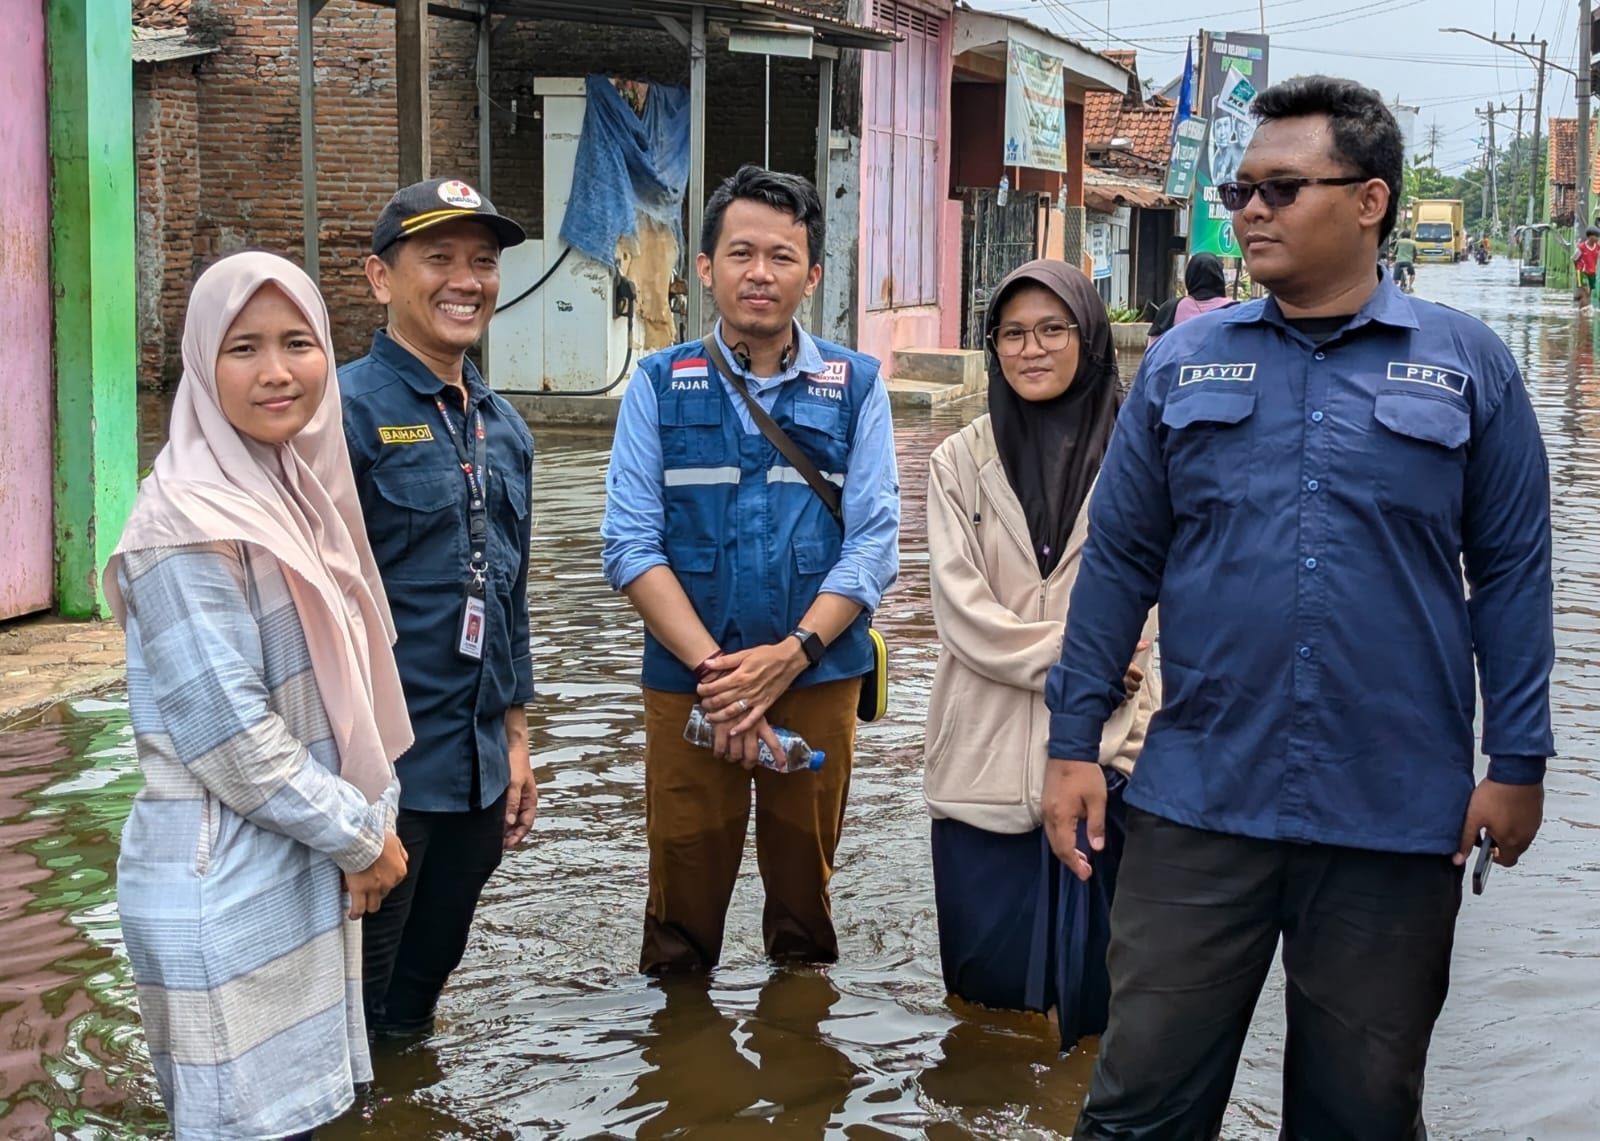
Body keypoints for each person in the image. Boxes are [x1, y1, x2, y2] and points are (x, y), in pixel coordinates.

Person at [1044, 75, 1552, 1137]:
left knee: (1360, 1114)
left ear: (1368, 201)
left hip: (1392, 812)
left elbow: (1510, 572)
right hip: (1197, 801)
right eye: (1240, 191)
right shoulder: (1184, 364)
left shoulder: (1469, 369)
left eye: (1280, 188)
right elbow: (1118, 562)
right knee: (1139, 1103)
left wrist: (1514, 765)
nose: (1250, 211)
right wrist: (1070, 742)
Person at [105, 252, 414, 1139]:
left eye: (298, 343)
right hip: (225, 889)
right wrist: (364, 839)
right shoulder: (183, 523)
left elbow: (344, 686)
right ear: (204, 363)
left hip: (297, 870)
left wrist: (367, 823)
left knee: (309, 1117)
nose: (278, 372)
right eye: (244, 347)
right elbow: (231, 735)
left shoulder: (297, 495)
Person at [601, 165, 900, 973]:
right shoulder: (658, 386)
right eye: (740, 253)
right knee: (680, 906)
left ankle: (798, 1061)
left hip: (818, 674)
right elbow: (630, 543)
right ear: (705, 268)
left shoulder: (857, 386)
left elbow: (874, 542)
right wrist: (723, 680)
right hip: (690, 685)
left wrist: (790, 657)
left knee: (806, 904)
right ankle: (682, 1065)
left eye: (780, 255)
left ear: (813, 273)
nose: (758, 273)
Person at [922, 259, 1159, 1052]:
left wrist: (1117, 701)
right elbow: (963, 615)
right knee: (986, 1015)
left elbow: (1169, 606)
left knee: (1104, 1011)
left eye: (1053, 329)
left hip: (1111, 756)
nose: (1031, 348)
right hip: (982, 763)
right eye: (1013, 333)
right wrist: (1084, 653)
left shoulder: (1146, 447)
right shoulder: (958, 459)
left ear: (1089, 336)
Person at [341, 177, 538, 1038]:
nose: (467, 280)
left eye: (483, 262)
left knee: (419, 1004)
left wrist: (518, 742)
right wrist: (348, 797)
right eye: (439, 259)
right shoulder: (337, 415)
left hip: (476, 775)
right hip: (384, 778)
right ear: (381, 279)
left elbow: (511, 595)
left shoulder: (504, 426)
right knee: (352, 1010)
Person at [1146, 253, 1234, 341]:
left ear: (1190, 275)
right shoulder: (1234, 309)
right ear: (1219, 276)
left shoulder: (1170, 309)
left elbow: (1153, 349)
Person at [1574, 226, 1600, 311]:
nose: (1597, 238)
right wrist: (1578, 270)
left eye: (1598, 236)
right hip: (1582, 272)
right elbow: (1574, 259)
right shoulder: (1581, 247)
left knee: (1588, 294)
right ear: (1589, 237)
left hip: (1592, 272)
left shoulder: (1597, 247)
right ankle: (1583, 316)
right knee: (1586, 291)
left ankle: (1581, 312)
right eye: (1595, 236)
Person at [1392, 226, 1418, 291]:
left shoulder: (1399, 241)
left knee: (1395, 280)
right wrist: (1413, 260)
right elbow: (1415, 253)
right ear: (1409, 235)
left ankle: (1394, 289)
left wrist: (1393, 257)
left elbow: (1395, 251)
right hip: (1408, 262)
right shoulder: (1413, 242)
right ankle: (1410, 286)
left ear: (1402, 235)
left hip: (1399, 261)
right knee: (1412, 274)